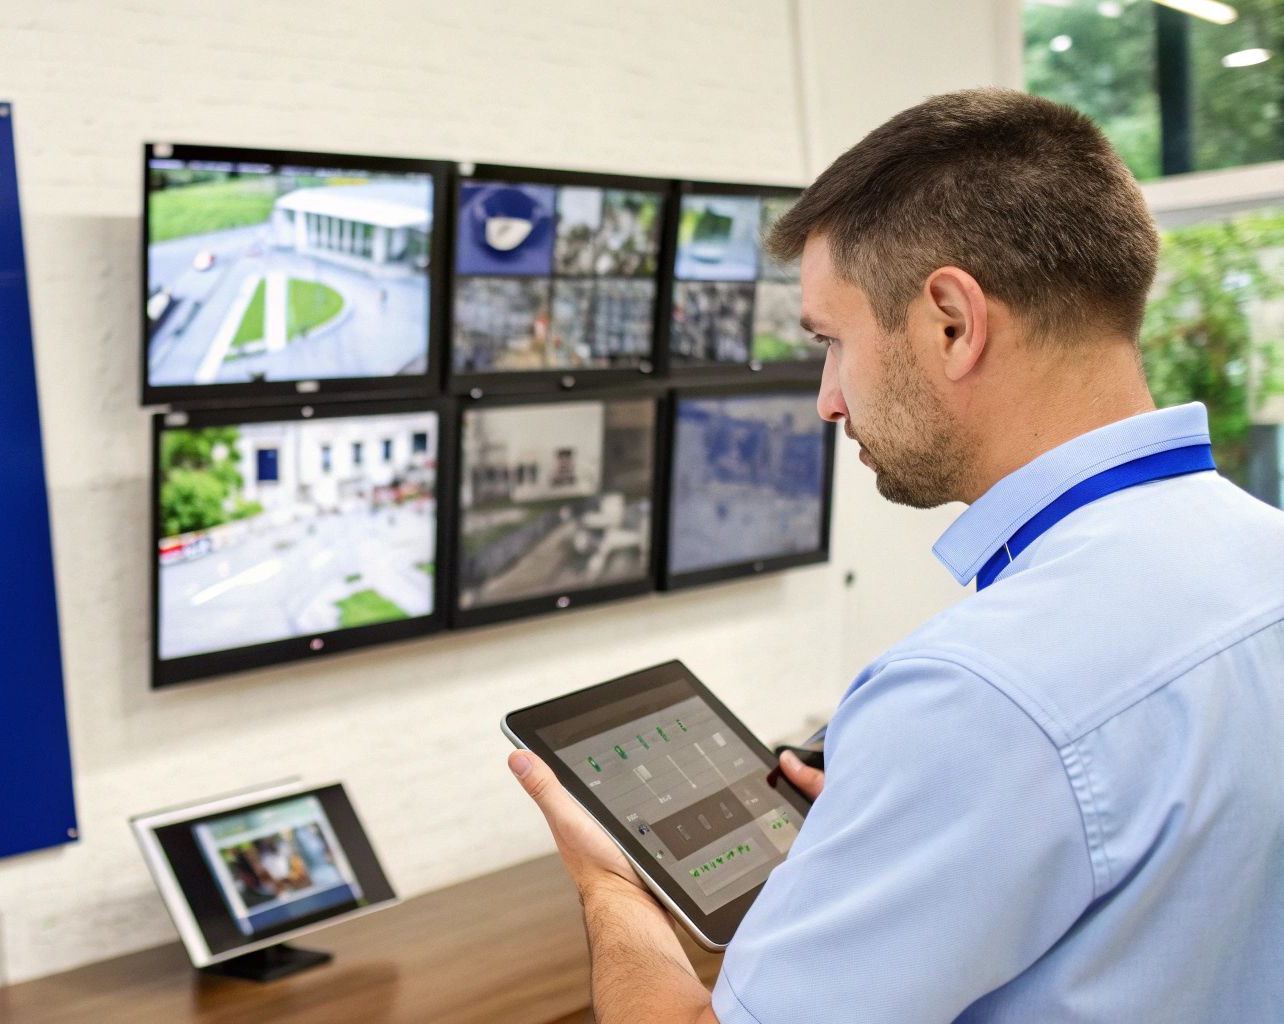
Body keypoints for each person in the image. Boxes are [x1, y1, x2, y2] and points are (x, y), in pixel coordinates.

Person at [508, 88, 1284, 1023]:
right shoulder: (1260, 554)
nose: (828, 400)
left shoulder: (976, 693)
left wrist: (614, 889)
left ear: (951, 320)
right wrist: (912, 815)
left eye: (833, 343)